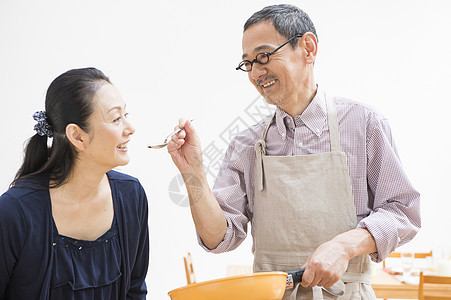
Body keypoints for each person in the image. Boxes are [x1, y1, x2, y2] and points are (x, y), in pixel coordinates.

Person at [168, 4, 420, 300]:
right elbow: (219, 238)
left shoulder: (363, 124)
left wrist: (345, 246)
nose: (256, 73)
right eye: (248, 64)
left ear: (308, 48)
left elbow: (403, 212)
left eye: (263, 57)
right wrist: (193, 171)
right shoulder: (246, 145)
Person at [0, 68, 149, 299]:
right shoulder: (14, 212)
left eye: (126, 115)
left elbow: (134, 291)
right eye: (116, 118)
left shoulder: (131, 196)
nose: (130, 128)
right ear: (77, 136)